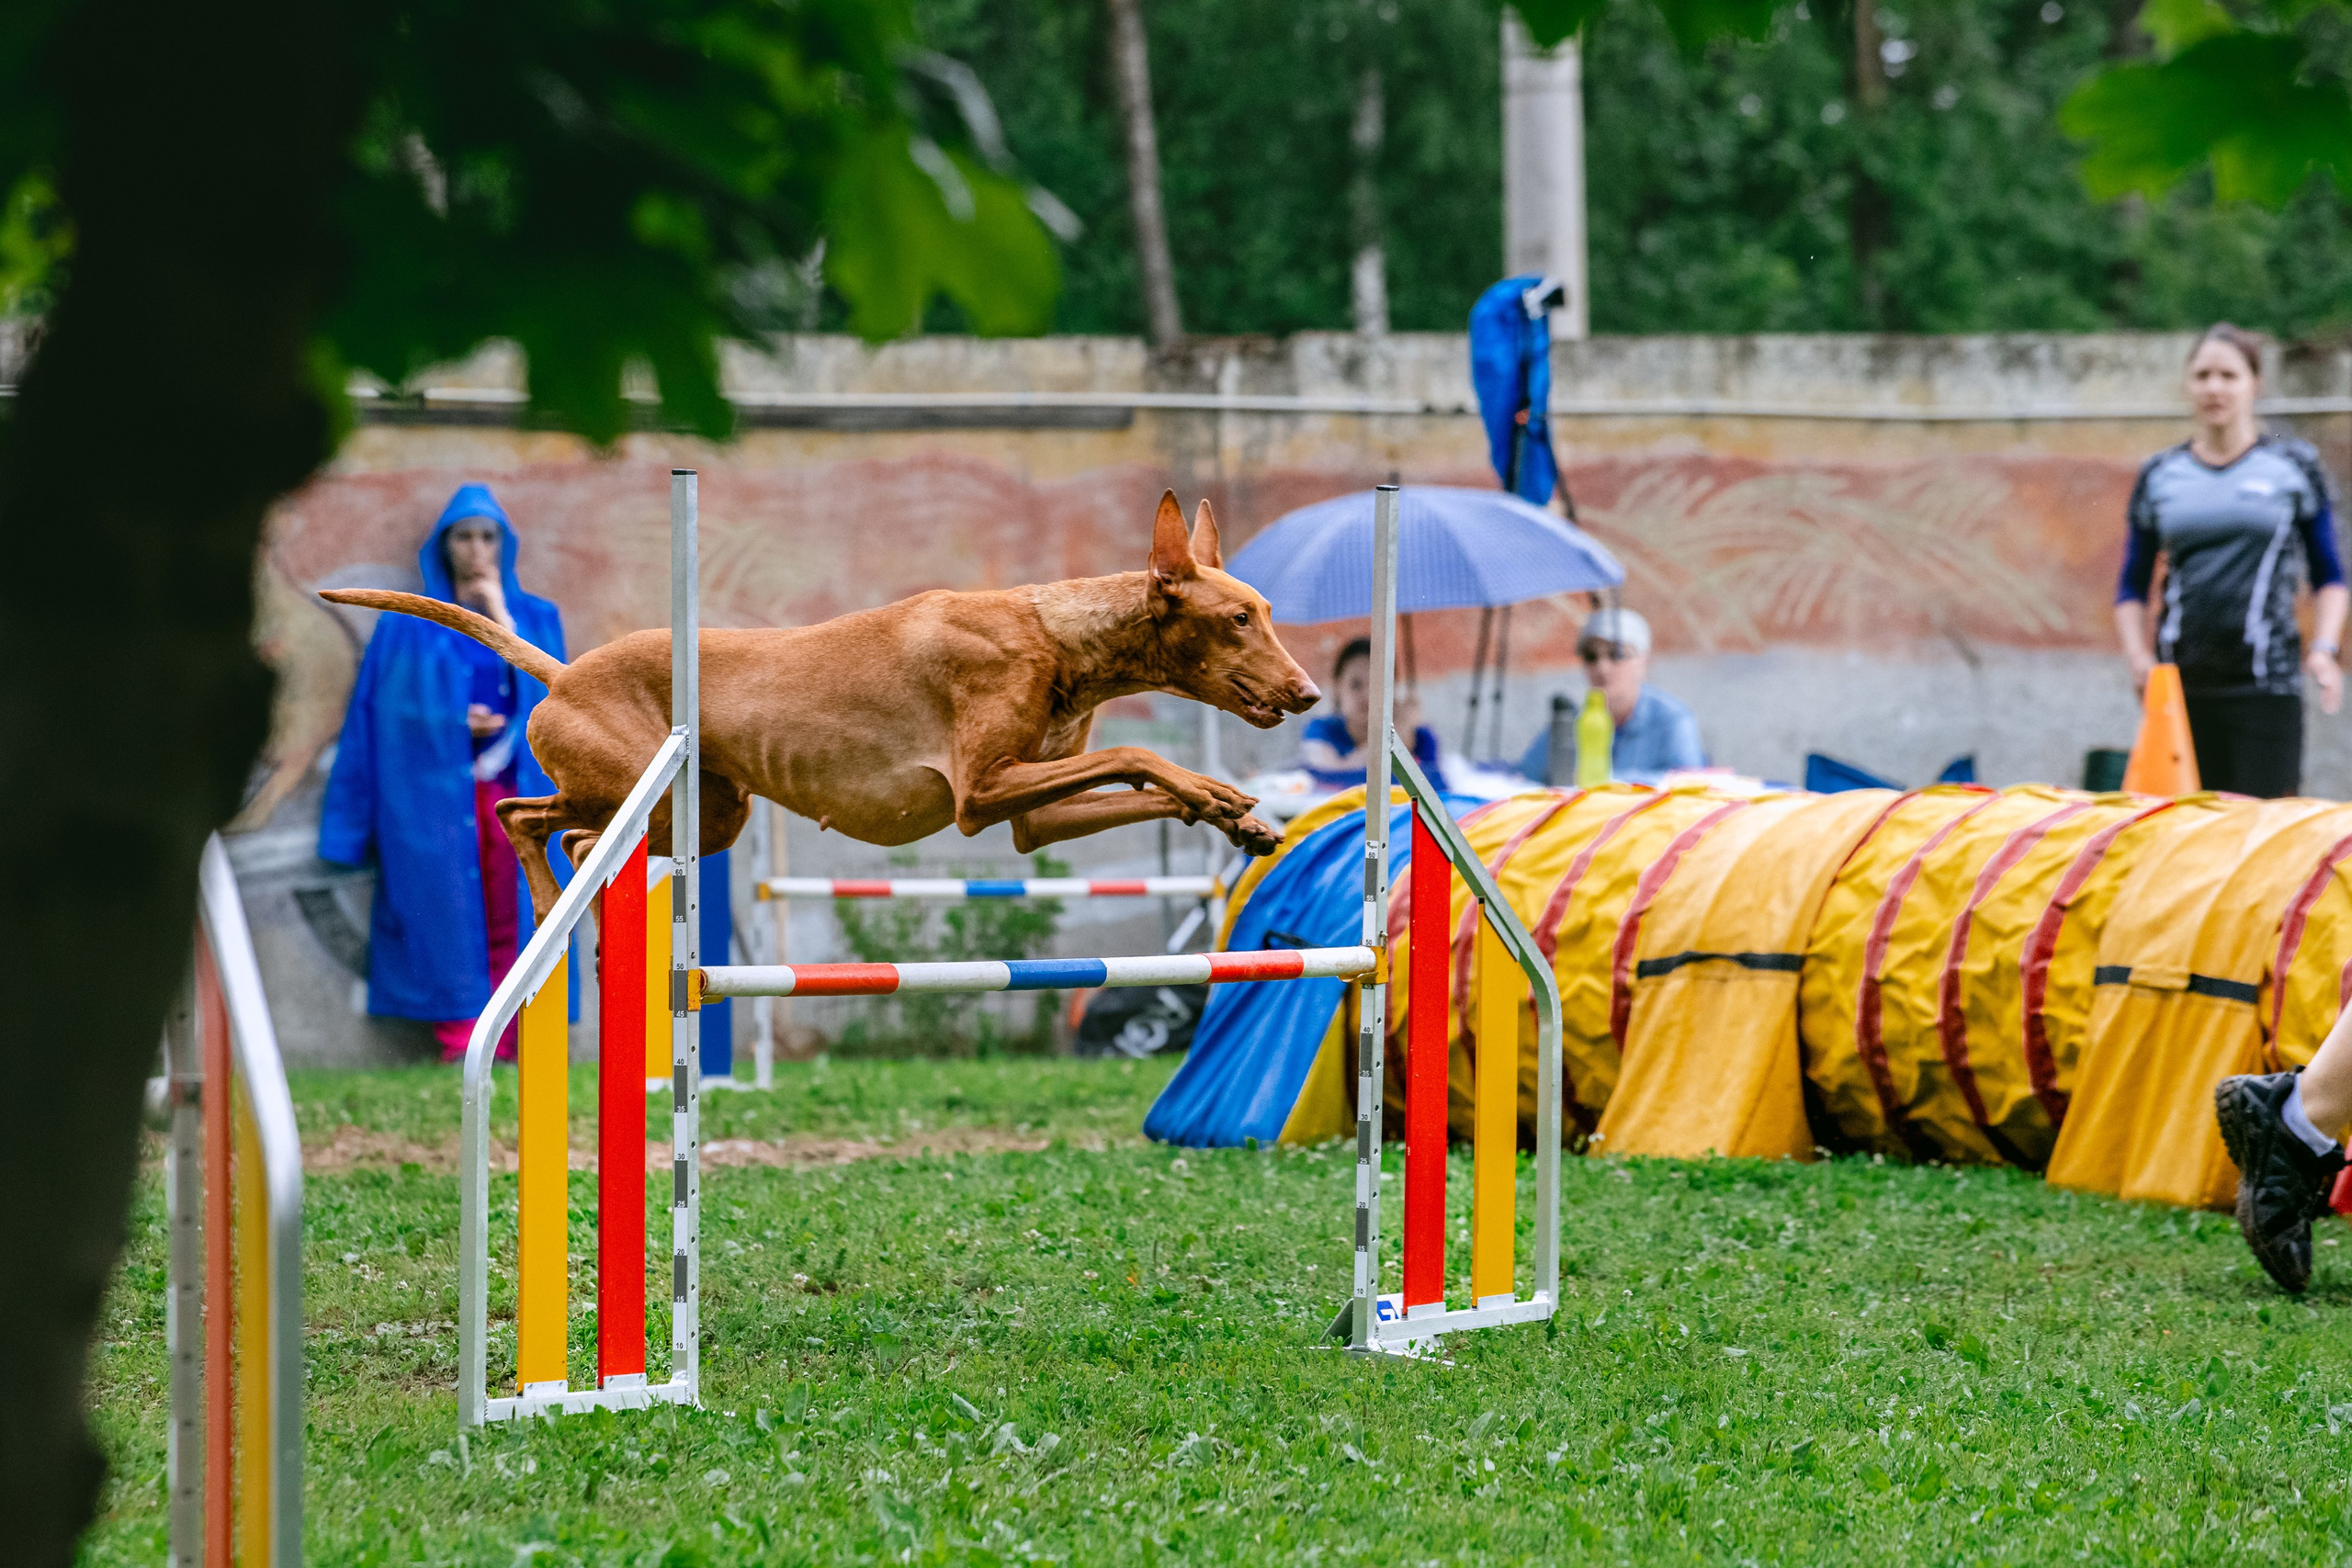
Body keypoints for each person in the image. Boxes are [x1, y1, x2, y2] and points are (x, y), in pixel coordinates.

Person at [319, 484, 568, 1061]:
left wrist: (499, 612)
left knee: (518, 907)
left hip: (517, 795)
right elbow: (378, 715)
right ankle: (460, 1039)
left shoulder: (535, 617)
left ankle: (508, 1040)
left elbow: (560, 694)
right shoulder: (407, 625)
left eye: (488, 536)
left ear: (504, 545)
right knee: (445, 912)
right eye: (464, 536)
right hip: (432, 802)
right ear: (443, 545)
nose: (476, 548)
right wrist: (451, 718)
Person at [2114, 322, 2346, 797]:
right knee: (2183, 841)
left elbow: (2330, 577)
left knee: (2260, 844)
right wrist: (2139, 659)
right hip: (2179, 688)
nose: (2214, 388)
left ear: (2254, 384)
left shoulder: (2294, 467)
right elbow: (2131, 587)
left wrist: (2324, 650)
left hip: (2266, 687)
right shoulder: (2161, 474)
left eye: (2228, 375)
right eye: (2202, 376)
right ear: (2188, 385)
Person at [1515, 607, 1704, 785]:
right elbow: (1524, 777)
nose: (1602, 668)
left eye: (1617, 654)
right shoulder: (1575, 719)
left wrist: (1607, 782)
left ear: (1643, 662)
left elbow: (1689, 783)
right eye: (1591, 657)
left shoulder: (1671, 719)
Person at [1298, 637, 1443, 791]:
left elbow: (1435, 790)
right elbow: (1331, 774)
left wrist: (1406, 735)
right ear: (1337, 687)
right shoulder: (1319, 731)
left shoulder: (1420, 738)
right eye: (1356, 685)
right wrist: (1394, 737)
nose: (1366, 695)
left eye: (1377, 684)